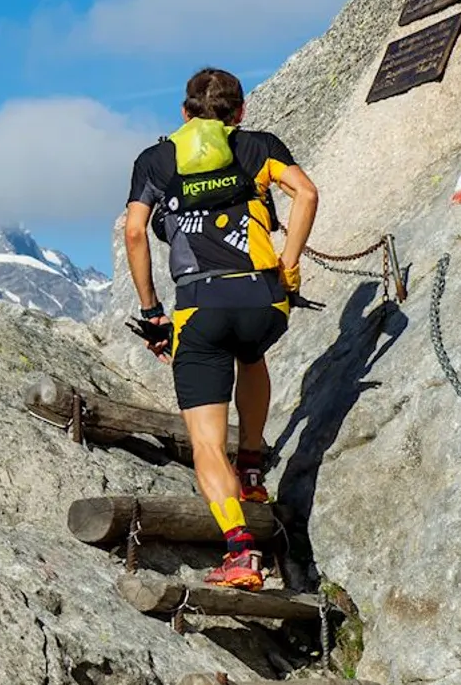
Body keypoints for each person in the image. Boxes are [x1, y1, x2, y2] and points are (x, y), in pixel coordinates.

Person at [121, 68, 319, 590]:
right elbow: (307, 193)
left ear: (184, 114)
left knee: (208, 443)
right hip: (264, 303)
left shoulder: (156, 159)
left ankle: (239, 553)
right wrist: (290, 265)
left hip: (200, 309)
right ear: (241, 112)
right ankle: (252, 468)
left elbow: (136, 232)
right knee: (251, 355)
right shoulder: (258, 146)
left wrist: (152, 312)